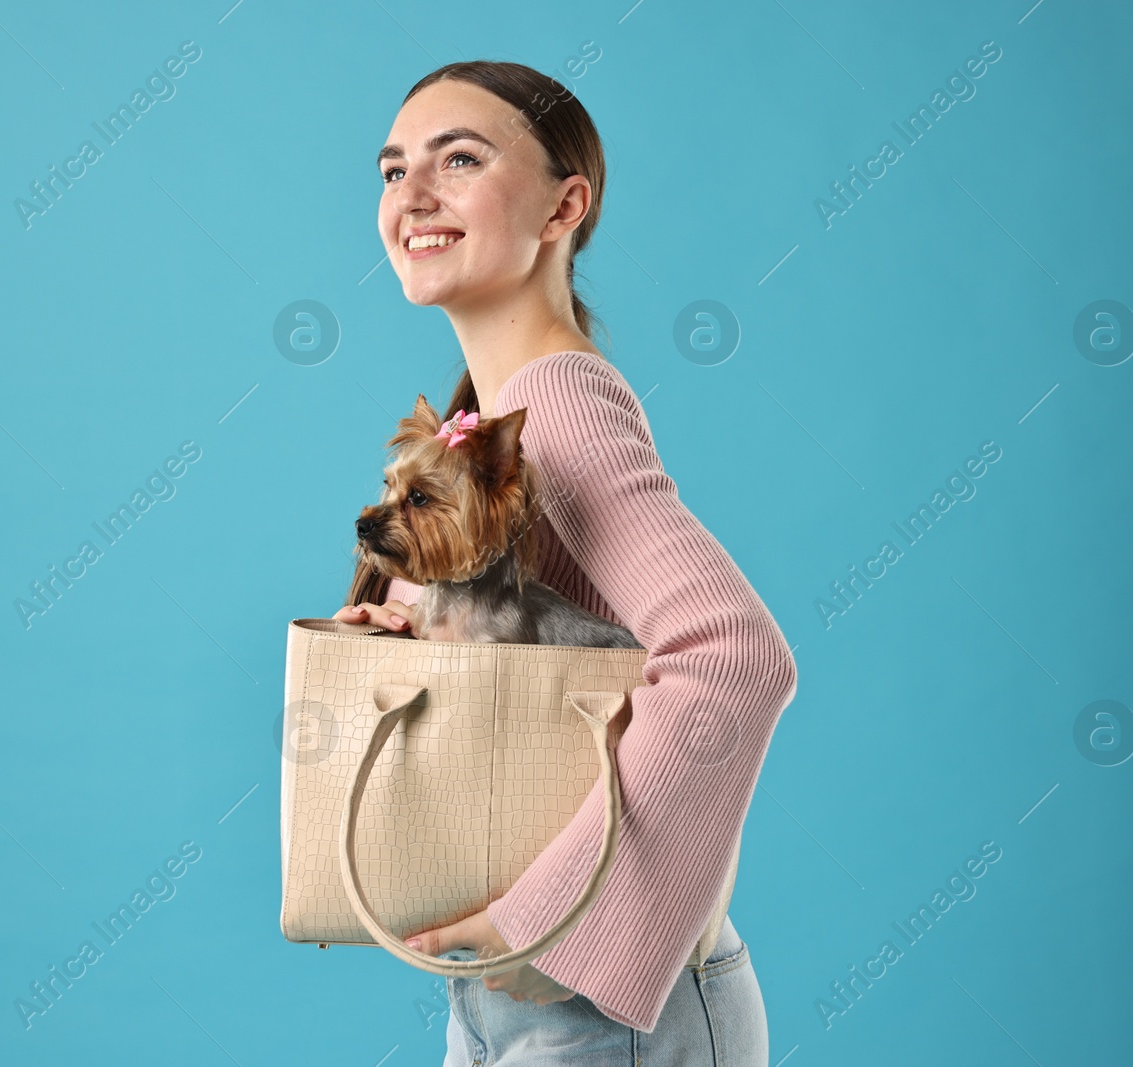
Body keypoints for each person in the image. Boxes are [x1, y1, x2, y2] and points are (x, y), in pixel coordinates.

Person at [333, 60, 797, 1065]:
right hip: (522, 999)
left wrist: (552, 919)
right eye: (391, 168)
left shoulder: (563, 410)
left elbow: (734, 656)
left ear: (564, 204)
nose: (411, 193)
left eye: (459, 159)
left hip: (595, 1001)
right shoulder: (485, 422)